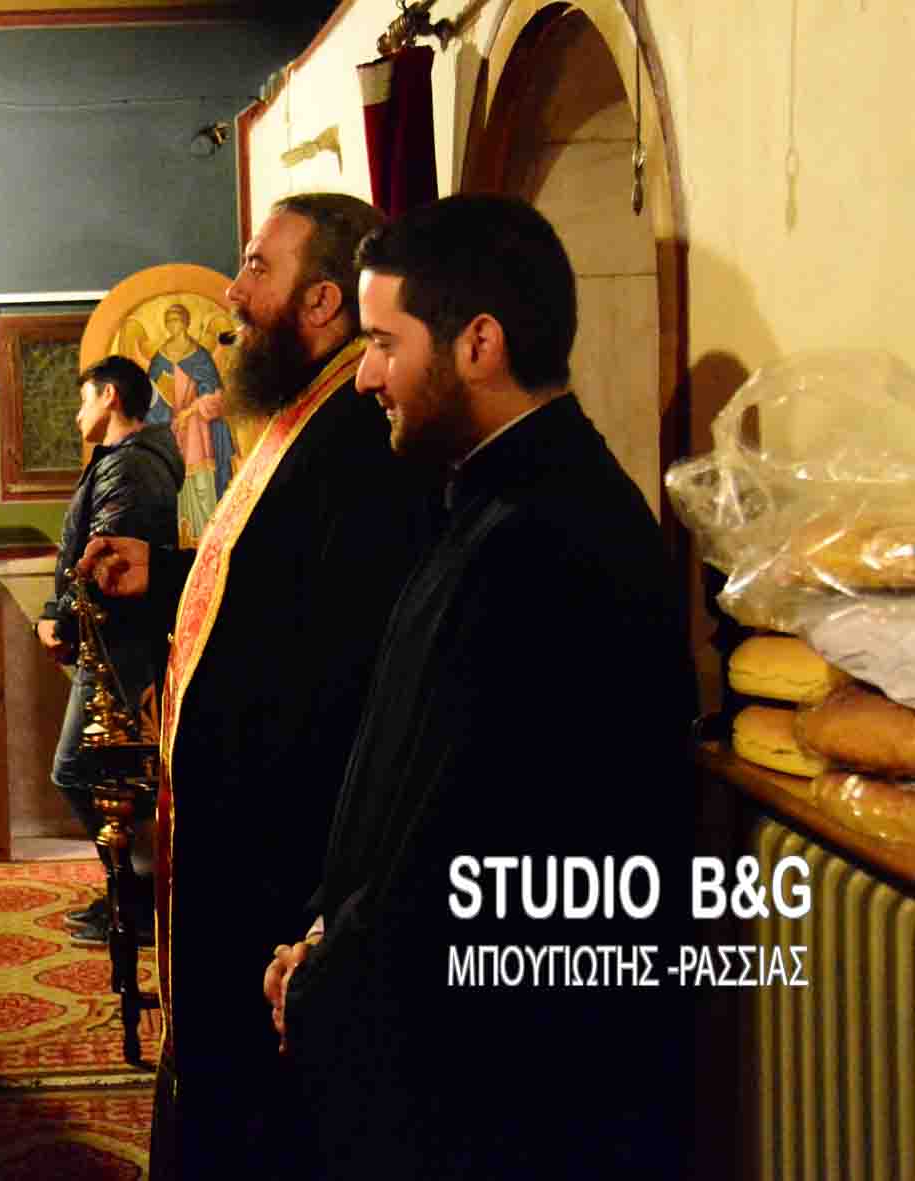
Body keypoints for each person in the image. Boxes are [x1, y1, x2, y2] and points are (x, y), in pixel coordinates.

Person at [264, 193, 695, 1178]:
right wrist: (324, 930)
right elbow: (398, 770)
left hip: (501, 1084)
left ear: (478, 344)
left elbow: (468, 837)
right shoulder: (487, 499)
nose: (365, 375)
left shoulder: (548, 537)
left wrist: (326, 977)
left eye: (384, 343)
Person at [79, 193, 435, 1179]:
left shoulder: (356, 436)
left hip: (281, 848)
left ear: (321, 301)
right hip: (239, 831)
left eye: (254, 268)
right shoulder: (298, 418)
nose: (232, 294)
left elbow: (340, 650)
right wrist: (161, 571)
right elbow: (266, 578)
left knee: (259, 1105)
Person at [38, 355, 182, 946]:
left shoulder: (132, 465)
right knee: (106, 775)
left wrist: (60, 619)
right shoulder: (124, 460)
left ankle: (140, 898)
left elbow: (105, 560)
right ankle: (131, 893)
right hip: (110, 642)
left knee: (83, 770)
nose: (78, 415)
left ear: (110, 396)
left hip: (120, 644)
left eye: (84, 400)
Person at [143, 303, 233, 544]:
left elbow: (215, 394)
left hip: (198, 427)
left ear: (185, 322)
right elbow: (149, 395)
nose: (172, 325)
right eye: (168, 321)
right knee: (176, 481)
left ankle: (205, 535)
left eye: (176, 320)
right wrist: (165, 412)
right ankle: (181, 536)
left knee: (201, 481)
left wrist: (190, 410)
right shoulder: (160, 356)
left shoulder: (200, 355)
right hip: (171, 427)